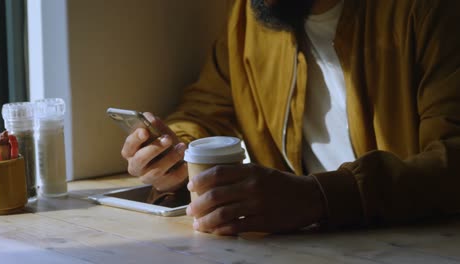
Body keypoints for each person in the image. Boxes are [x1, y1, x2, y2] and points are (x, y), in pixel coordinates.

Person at [121, 0, 460, 236]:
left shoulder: (428, 11)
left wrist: (318, 197)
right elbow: (207, 108)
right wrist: (175, 155)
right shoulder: (254, 14)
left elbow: (451, 160)